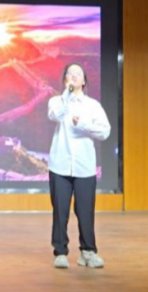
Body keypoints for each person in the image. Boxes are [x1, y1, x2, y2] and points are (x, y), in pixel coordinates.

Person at [47, 63, 111, 269]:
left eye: (78, 74)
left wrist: (82, 124)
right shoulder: (57, 101)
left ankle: (88, 252)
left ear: (84, 81)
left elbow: (105, 131)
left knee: (85, 211)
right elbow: (54, 115)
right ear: (65, 80)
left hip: (84, 167)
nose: (74, 76)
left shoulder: (93, 105)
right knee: (60, 211)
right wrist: (67, 94)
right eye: (70, 73)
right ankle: (60, 252)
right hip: (60, 166)